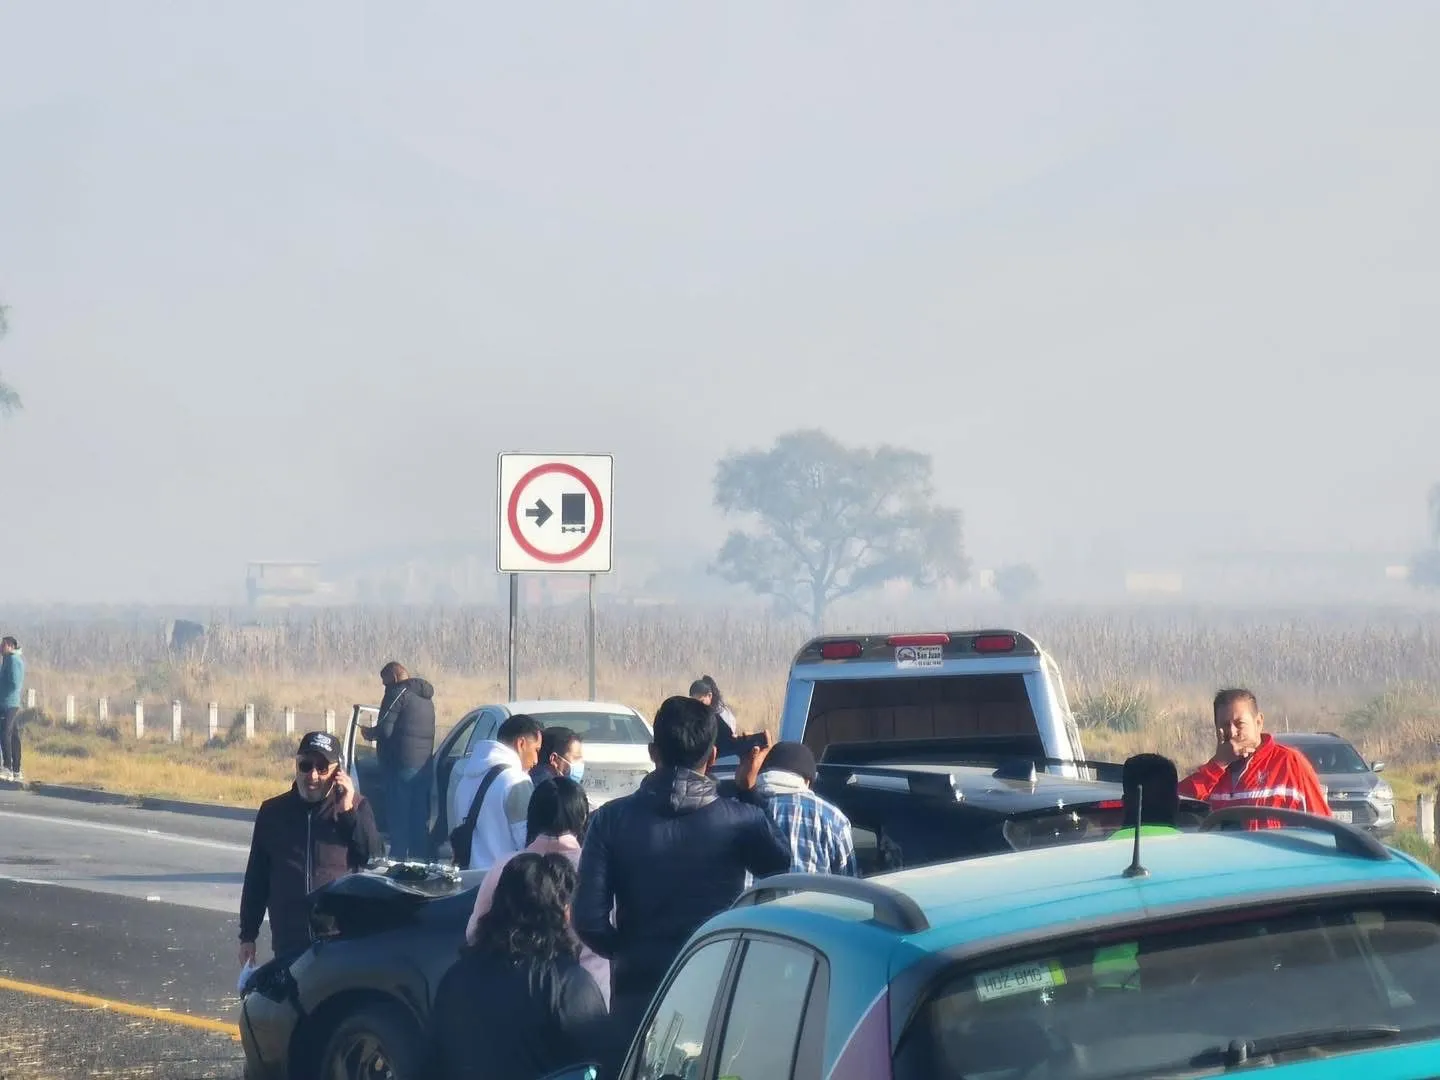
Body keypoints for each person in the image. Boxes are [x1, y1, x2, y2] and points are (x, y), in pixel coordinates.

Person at [574, 695, 791, 1069]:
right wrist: (748, 789)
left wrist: (629, 950)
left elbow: (588, 919)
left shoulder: (609, 820)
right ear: (712, 756)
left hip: (638, 993)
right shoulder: (740, 818)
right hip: (716, 984)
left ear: (653, 752)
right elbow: (778, 863)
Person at [428, 852, 608, 1080]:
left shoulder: (454, 979)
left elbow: (431, 1063)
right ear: (562, 913)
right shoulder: (568, 985)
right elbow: (604, 1063)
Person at [238, 731, 382, 965]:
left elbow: (374, 856)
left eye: (322, 767)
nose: (312, 775)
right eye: (306, 765)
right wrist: (248, 936)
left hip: (339, 941)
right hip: (289, 942)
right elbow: (257, 879)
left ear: (338, 772)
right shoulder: (273, 813)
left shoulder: (356, 807)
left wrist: (347, 813)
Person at [465, 775, 610, 1005]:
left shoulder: (504, 866)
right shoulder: (595, 868)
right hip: (586, 999)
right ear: (582, 818)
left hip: (510, 998)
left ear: (532, 816)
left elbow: (474, 933)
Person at [1179, 688, 1331, 829]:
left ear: (1258, 722)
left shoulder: (1289, 763)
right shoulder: (1212, 774)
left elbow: (1323, 826)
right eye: (1225, 725)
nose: (1232, 732)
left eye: (1239, 724)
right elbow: (1177, 807)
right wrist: (1219, 763)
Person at [360, 661, 436, 861]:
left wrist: (370, 733)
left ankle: (397, 861)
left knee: (399, 816)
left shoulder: (397, 693)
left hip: (401, 765)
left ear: (394, 678)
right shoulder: (426, 698)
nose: (385, 687)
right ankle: (421, 861)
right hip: (424, 767)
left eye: (385, 683)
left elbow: (385, 729)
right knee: (419, 817)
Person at [451, 713, 544, 871]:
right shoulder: (515, 781)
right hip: (502, 883)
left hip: (468, 879)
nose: (536, 760)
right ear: (521, 744)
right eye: (536, 749)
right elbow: (527, 842)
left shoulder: (466, 777)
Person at [750, 741, 858, 876]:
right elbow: (849, 887)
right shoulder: (832, 818)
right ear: (807, 781)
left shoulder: (739, 808)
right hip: (809, 898)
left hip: (749, 898)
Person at [689, 676, 767, 759]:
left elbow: (730, 735)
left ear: (709, 696)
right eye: (693, 702)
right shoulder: (695, 711)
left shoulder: (720, 713)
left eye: (701, 701)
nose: (697, 706)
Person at [0, 636, 26, 782]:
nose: (0, 647)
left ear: (10, 646)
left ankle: (7, 768)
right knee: (14, 736)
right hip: (8, 703)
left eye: (2, 644)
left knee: (5, 734)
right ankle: (16, 770)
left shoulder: (12, 660)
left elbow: (15, 683)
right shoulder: (7, 660)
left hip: (8, 704)